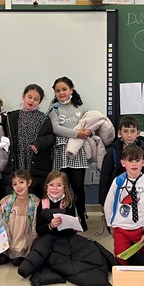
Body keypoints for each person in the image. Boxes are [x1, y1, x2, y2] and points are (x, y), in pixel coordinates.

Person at [104, 145, 144, 265]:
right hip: (121, 228)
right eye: (130, 161)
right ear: (123, 163)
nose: (134, 164)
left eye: (137, 160)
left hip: (141, 229)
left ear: (143, 162)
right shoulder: (118, 181)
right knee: (121, 260)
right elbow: (108, 204)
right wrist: (110, 226)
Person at [48, 76, 91, 231]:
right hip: (60, 152)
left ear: (72, 89)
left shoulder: (82, 109)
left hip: (77, 151)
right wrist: (76, 133)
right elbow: (55, 128)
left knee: (78, 187)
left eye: (64, 89)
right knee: (61, 187)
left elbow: (90, 125)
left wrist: (87, 132)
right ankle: (65, 219)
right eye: (57, 90)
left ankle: (81, 216)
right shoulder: (54, 109)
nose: (61, 93)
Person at [4, 84, 54, 197]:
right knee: (17, 192)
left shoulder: (44, 118)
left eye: (36, 99)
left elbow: (51, 138)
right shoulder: (12, 116)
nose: (31, 101)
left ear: (40, 101)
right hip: (17, 158)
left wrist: (39, 144)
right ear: (23, 96)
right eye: (29, 97)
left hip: (35, 160)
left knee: (34, 194)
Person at [98, 116, 144, 209]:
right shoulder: (113, 153)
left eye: (132, 131)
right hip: (118, 195)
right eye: (125, 131)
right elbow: (105, 179)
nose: (129, 135)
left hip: (142, 195)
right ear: (120, 133)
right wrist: (103, 202)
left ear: (138, 133)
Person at [0, 169, 39, 266]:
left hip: (23, 237)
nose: (18, 186)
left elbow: (35, 222)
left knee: (16, 261)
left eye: (21, 182)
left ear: (29, 182)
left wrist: (34, 238)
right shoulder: (7, 199)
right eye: (14, 184)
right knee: (0, 260)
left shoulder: (34, 201)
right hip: (7, 236)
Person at [36, 170, 77, 238]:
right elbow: (39, 230)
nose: (55, 188)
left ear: (64, 187)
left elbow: (70, 231)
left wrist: (74, 224)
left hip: (65, 238)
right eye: (51, 185)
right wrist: (50, 226)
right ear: (47, 187)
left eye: (59, 185)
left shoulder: (68, 203)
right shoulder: (42, 203)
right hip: (46, 238)